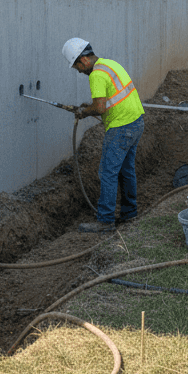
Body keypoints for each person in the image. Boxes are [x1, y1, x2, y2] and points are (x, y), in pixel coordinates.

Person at [62, 37, 145, 233]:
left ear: (82, 60)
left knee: (107, 172)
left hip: (121, 127)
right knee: (126, 170)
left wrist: (84, 112)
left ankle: (105, 220)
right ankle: (129, 213)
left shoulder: (96, 75)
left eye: (77, 67)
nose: (79, 72)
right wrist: (89, 107)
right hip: (136, 122)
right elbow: (107, 101)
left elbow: (99, 108)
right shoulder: (109, 64)